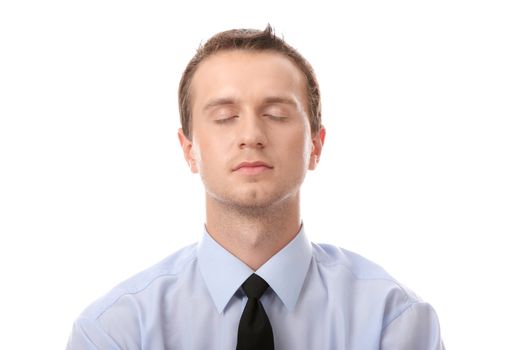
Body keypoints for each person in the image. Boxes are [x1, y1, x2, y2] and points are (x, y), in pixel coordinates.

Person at [67, 25, 445, 350]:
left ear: (315, 145)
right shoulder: (116, 332)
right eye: (225, 117)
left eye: (276, 114)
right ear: (189, 150)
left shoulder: (391, 322)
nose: (251, 135)